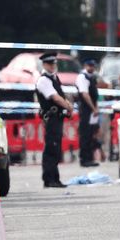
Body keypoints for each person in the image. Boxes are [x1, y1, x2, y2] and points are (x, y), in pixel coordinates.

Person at [36, 52, 73, 188]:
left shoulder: (53, 78)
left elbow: (60, 95)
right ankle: (49, 179)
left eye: (54, 63)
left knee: (56, 149)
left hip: (57, 118)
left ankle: (54, 178)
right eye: (50, 64)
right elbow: (55, 98)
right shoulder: (43, 80)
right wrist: (68, 106)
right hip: (51, 119)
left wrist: (67, 106)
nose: (53, 66)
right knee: (51, 148)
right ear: (44, 64)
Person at [76, 59, 100, 168]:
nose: (92, 68)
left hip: (92, 110)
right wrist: (93, 108)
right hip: (86, 109)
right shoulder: (82, 77)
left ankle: (89, 158)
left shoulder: (92, 77)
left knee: (91, 134)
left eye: (93, 66)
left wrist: (96, 108)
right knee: (85, 134)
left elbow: (95, 95)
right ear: (85, 66)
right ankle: (84, 159)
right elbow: (85, 94)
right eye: (90, 66)